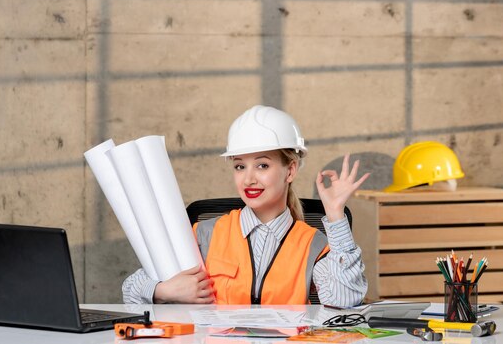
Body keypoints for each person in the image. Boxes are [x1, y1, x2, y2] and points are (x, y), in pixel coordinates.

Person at [122, 105, 369, 306]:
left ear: (290, 170)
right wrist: (163, 291)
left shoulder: (313, 243)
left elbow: (344, 297)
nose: (249, 178)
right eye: (240, 166)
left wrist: (336, 216)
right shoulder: (205, 234)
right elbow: (131, 291)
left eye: (262, 165)